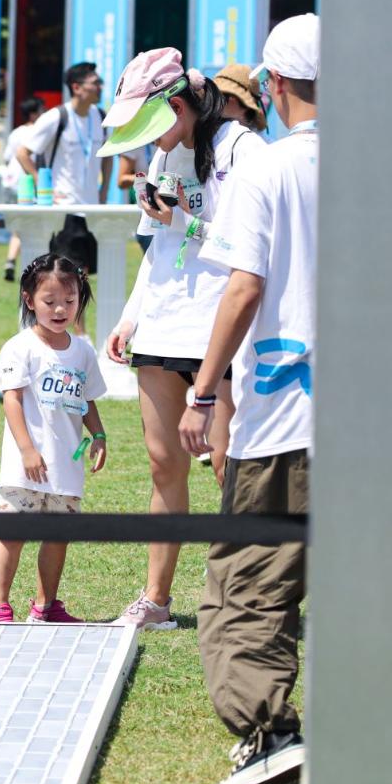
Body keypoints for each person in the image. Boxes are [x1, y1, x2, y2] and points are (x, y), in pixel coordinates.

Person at [177, 14, 318, 784]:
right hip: (367, 418)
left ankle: (268, 739)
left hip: (282, 418)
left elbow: (243, 286)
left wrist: (203, 392)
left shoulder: (264, 168)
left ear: (271, 86)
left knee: (246, 588)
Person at [98, 47, 266, 631]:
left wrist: (184, 221)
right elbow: (157, 250)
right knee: (162, 463)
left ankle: (241, 600)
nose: (149, 139)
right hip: (162, 322)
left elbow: (250, 246)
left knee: (229, 464)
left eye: (151, 122)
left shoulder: (240, 149)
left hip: (218, 329)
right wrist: (128, 318)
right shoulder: (161, 153)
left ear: (178, 105)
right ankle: (157, 600)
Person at [0, 254, 106, 623]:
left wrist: (98, 434)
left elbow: (86, 399)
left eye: (69, 302)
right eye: (49, 301)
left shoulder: (83, 350)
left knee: (58, 536)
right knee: (13, 535)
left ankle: (45, 606)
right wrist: (27, 449)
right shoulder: (19, 347)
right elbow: (12, 399)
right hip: (25, 466)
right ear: (29, 300)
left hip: (65, 464)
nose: (60, 309)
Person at [17, 62, 110, 275]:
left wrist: (103, 190)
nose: (100, 87)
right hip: (64, 210)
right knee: (66, 277)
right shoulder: (56, 117)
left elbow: (108, 156)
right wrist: (43, 187)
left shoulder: (101, 117)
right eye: (95, 83)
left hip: (92, 209)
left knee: (84, 278)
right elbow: (23, 153)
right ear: (76, 87)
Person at [0, 97, 45, 280]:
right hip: (29, 185)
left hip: (11, 183)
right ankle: (29, 265)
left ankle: (11, 260)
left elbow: (6, 157)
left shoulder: (16, 132)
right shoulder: (40, 131)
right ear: (34, 114)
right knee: (29, 227)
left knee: (19, 227)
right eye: (42, 110)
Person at [213, 64, 268, 134]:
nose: (214, 101)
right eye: (212, 95)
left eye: (224, 96)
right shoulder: (203, 141)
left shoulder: (261, 144)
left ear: (246, 106)